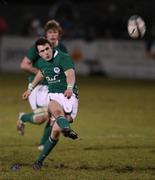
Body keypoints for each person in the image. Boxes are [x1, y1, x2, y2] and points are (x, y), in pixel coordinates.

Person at [22, 37, 78, 170]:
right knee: (55, 111)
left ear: (51, 47)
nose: (46, 53)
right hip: (54, 97)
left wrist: (69, 87)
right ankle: (67, 130)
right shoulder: (41, 62)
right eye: (42, 51)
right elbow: (40, 74)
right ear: (39, 54)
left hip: (69, 95)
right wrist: (30, 89)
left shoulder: (63, 57)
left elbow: (70, 73)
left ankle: (40, 159)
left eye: (47, 49)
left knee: (55, 132)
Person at [17, 19, 68, 151]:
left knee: (55, 113)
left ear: (59, 34)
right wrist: (43, 73)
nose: (52, 35)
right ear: (45, 34)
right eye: (49, 32)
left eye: (55, 32)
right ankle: (23, 117)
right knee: (41, 118)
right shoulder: (38, 46)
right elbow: (24, 64)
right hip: (37, 87)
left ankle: (43, 144)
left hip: (53, 87)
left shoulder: (62, 48)